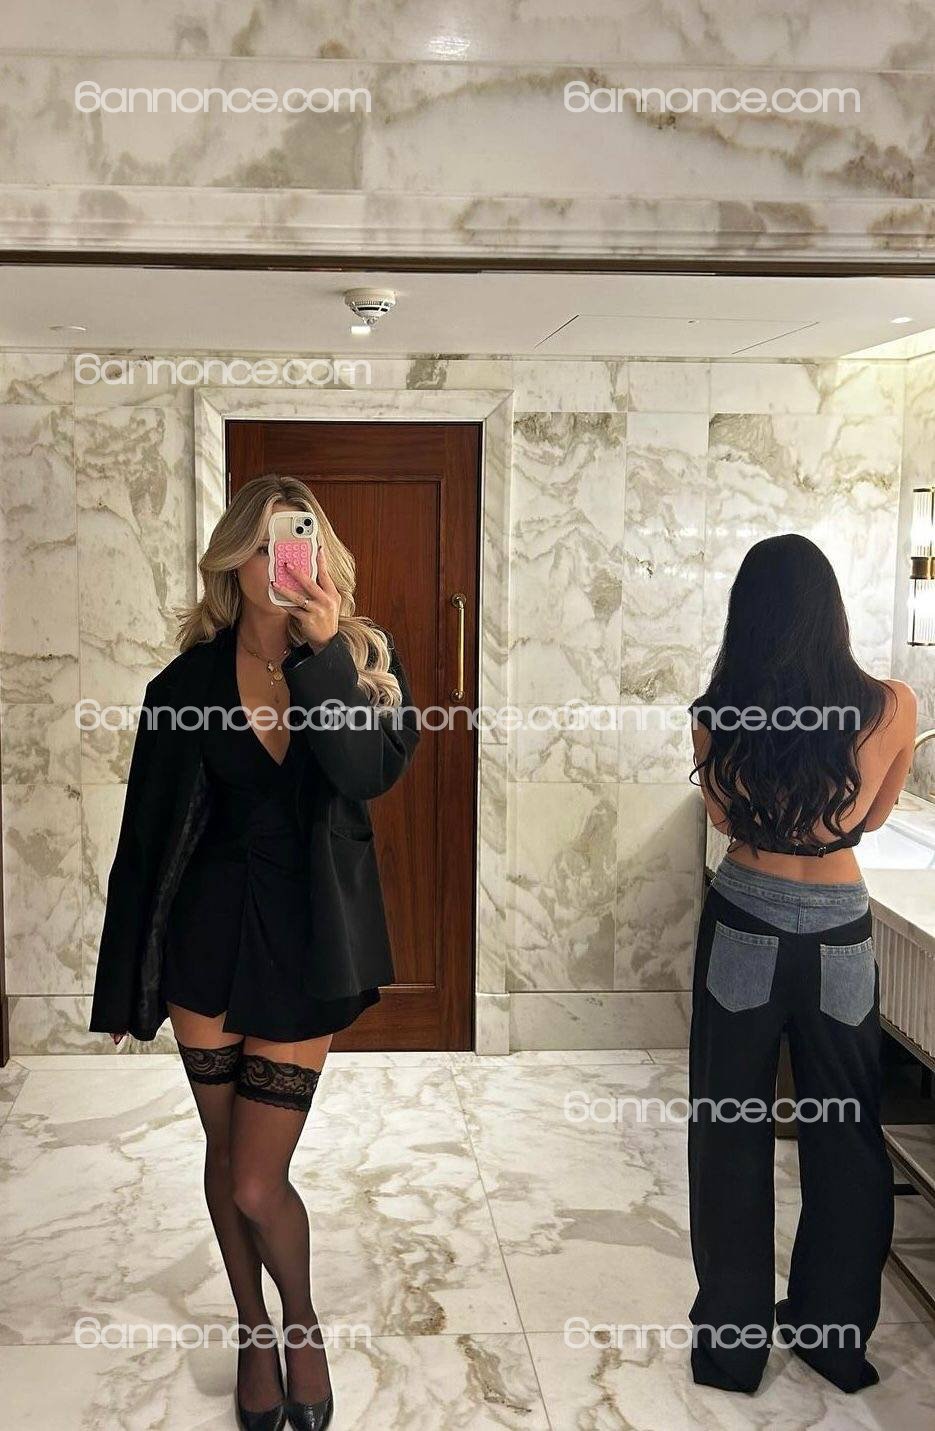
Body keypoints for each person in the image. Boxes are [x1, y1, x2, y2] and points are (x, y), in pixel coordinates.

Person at [88, 475, 420, 1431]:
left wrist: (322, 652)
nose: (281, 562)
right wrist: (125, 985)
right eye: (265, 544)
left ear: (320, 553)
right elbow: (143, 843)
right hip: (204, 946)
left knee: (253, 1178)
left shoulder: (363, 661)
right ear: (235, 558)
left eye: (296, 541)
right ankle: (251, 1326)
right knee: (224, 1150)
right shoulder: (182, 686)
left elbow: (366, 771)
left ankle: (299, 1322)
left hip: (307, 943)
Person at [687, 533, 917, 1395]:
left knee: (729, 1127)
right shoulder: (893, 705)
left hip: (745, 914)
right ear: (832, 611)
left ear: (746, 616)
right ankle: (831, 1339)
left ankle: (731, 1348)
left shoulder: (717, 712)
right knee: (846, 1131)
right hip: (838, 928)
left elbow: (721, 819)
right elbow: (875, 815)